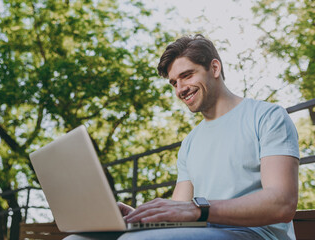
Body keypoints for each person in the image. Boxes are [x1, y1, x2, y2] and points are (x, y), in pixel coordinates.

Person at [65, 34, 299, 240]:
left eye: (187, 76)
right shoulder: (190, 143)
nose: (180, 89)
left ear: (214, 68)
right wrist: (139, 216)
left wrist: (198, 209)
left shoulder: (267, 116)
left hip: (256, 234)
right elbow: (179, 210)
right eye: (174, 83)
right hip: (203, 230)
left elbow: (282, 203)